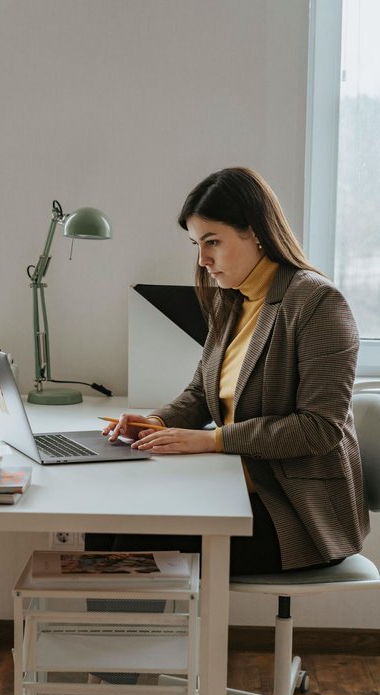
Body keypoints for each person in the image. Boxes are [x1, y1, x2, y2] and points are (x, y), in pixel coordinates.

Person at [94, 166, 370, 574]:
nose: (203, 260)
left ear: (255, 232)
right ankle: (106, 636)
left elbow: (319, 428)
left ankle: (144, 637)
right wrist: (155, 422)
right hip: (237, 485)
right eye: (196, 244)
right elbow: (201, 394)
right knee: (101, 525)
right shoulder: (233, 299)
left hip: (295, 512)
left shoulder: (318, 304)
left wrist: (213, 441)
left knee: (130, 541)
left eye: (212, 242)